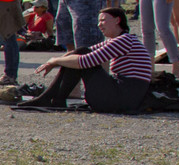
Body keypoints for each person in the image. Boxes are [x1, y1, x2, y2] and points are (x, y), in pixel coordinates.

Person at [14, 6, 151, 113]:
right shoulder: (121, 40)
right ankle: (54, 99)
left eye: (103, 20)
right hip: (122, 98)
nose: (99, 25)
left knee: (82, 55)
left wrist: (55, 60)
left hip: (120, 100)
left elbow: (84, 61)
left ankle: (50, 98)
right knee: (81, 52)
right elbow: (83, 52)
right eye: (98, 21)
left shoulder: (124, 40)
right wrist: (57, 60)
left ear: (117, 20)